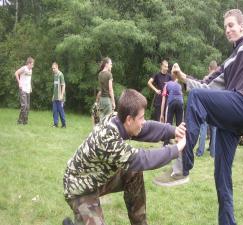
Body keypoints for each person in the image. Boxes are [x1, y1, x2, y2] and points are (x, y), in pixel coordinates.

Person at [154, 1, 243, 224]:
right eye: (225, 26)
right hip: (232, 122)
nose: (228, 30)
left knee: (197, 99)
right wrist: (183, 78)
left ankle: (183, 165)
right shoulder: (228, 63)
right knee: (221, 177)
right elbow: (206, 87)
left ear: (242, 27)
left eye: (231, 25)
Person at [62, 89, 186, 225]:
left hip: (99, 177)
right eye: (141, 118)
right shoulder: (107, 139)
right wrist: (177, 149)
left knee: (133, 172)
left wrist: (173, 131)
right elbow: (141, 159)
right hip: (80, 188)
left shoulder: (118, 119)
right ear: (129, 119)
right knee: (135, 165)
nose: (143, 121)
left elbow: (146, 129)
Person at [196, 60, 218, 158]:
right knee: (214, 130)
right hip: (215, 108)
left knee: (203, 129)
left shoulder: (206, 78)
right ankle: (213, 153)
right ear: (216, 68)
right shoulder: (218, 79)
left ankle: (200, 152)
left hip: (205, 107)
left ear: (209, 68)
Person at [160, 72, 184, 145]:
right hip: (180, 102)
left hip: (172, 102)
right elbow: (181, 96)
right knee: (179, 124)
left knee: (168, 123)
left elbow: (163, 100)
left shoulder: (166, 84)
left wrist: (162, 114)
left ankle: (166, 143)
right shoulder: (179, 85)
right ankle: (180, 143)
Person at [15, 57, 34, 125]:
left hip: (28, 89)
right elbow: (16, 73)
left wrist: (30, 87)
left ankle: (22, 121)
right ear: (29, 63)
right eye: (32, 64)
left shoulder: (31, 70)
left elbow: (29, 79)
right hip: (22, 89)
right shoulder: (24, 68)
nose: (33, 66)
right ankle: (22, 121)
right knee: (24, 106)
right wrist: (19, 82)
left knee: (27, 107)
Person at [52, 62, 66, 128]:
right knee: (55, 111)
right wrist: (53, 95)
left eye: (54, 68)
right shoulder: (55, 75)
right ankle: (55, 124)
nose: (53, 70)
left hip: (60, 97)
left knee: (60, 111)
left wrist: (62, 95)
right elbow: (55, 86)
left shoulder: (61, 75)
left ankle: (64, 125)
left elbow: (63, 85)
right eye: (52, 68)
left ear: (57, 67)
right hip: (55, 97)